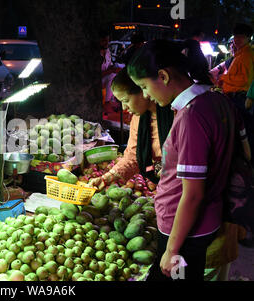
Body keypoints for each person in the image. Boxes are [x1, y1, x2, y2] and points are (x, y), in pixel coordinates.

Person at [127, 39, 247, 281]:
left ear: (163, 75)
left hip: (183, 232)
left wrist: (172, 250)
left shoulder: (191, 117)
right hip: (202, 223)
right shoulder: (217, 99)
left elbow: (192, 194)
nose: (145, 94)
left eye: (144, 86)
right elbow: (244, 153)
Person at [103, 67, 174, 184]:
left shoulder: (177, 114)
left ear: (143, 91)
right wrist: (108, 177)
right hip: (160, 182)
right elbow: (133, 156)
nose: (124, 107)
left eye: (126, 100)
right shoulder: (138, 119)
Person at [218, 23, 254, 163]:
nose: (237, 40)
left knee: (243, 133)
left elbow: (245, 80)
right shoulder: (240, 54)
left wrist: (223, 78)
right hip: (236, 98)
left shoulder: (246, 55)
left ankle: (246, 164)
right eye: (235, 37)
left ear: (248, 38)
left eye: (241, 37)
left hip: (240, 99)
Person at [100, 30, 123, 106]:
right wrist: (112, 70)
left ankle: (116, 99)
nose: (107, 43)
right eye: (104, 41)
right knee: (112, 75)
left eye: (108, 40)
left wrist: (116, 67)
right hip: (98, 80)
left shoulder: (107, 51)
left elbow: (109, 66)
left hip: (105, 77)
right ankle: (107, 102)